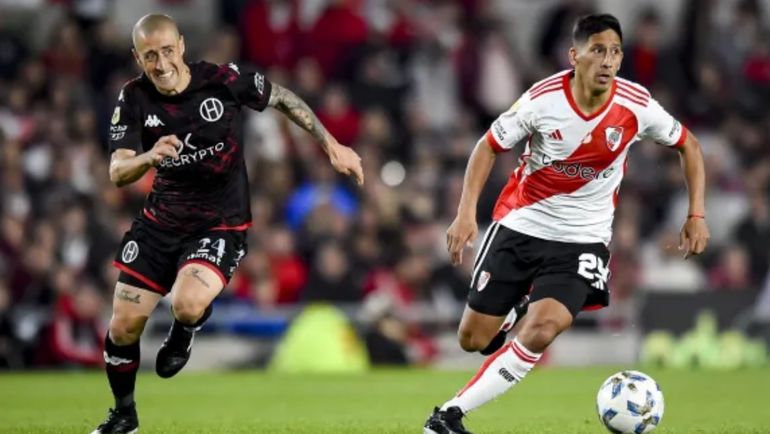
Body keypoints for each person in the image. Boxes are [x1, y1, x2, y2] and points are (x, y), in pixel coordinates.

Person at [424, 14, 709, 434]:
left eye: (614, 51)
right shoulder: (542, 100)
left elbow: (690, 145)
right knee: (474, 339)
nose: (608, 60)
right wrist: (466, 212)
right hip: (521, 224)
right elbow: (487, 147)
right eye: (597, 50)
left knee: (542, 330)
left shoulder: (636, 104)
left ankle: (448, 416)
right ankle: (516, 306)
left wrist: (696, 215)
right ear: (574, 55)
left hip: (583, 240)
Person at [92, 13, 364, 434]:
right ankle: (123, 413)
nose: (161, 64)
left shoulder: (222, 80)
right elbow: (117, 171)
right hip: (160, 223)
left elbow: (284, 98)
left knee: (187, 302)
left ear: (181, 45)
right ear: (137, 58)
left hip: (219, 223)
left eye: (167, 51)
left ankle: (184, 331)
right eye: (150, 56)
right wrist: (149, 157)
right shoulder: (133, 98)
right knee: (123, 325)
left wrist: (331, 145)